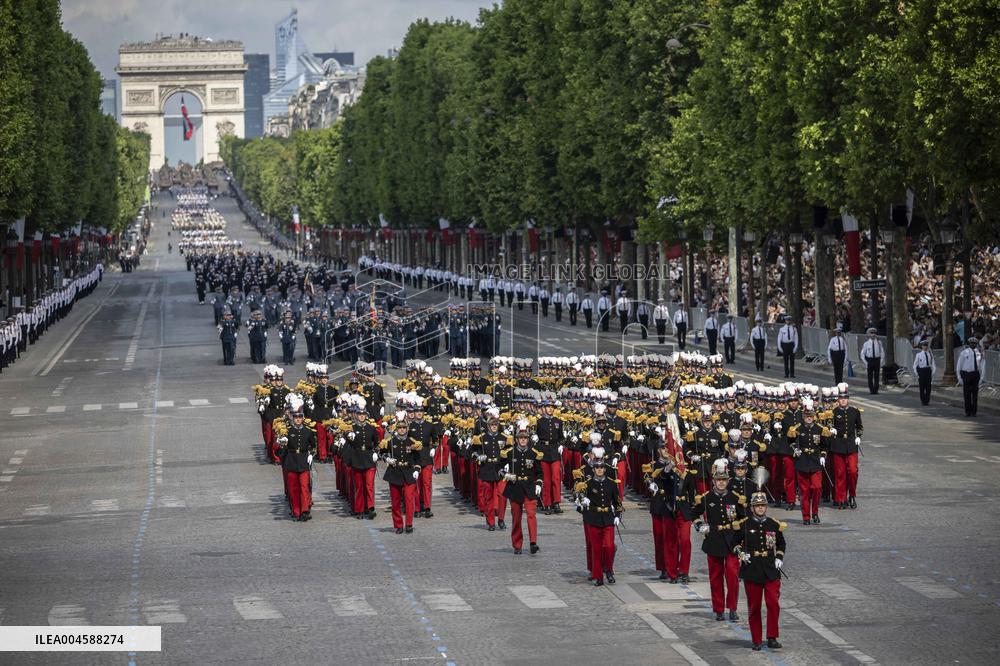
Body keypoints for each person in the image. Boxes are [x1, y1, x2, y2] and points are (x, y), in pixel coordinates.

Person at [732, 491, 786, 652]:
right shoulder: (744, 524)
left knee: (773, 603)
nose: (760, 508)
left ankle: (772, 636)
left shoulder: (774, 524)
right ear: (752, 507)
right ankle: (756, 639)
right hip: (752, 569)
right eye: (757, 506)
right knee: (754, 607)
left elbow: (781, 544)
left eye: (763, 505)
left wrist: (779, 557)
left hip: (770, 569)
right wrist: (741, 553)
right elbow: (734, 543)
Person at [693, 463, 745, 621]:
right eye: (718, 480)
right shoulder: (706, 498)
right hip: (713, 540)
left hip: (732, 540)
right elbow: (694, 514)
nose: (721, 483)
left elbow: (743, 519)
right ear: (713, 481)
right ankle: (718, 608)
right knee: (715, 577)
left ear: (728, 481)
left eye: (724, 480)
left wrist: (742, 540)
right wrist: (700, 525)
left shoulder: (735, 498)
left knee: (732, 576)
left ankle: (733, 608)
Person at [644, 442, 695, 583]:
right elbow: (648, 478)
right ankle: (665, 567)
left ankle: (681, 570)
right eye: (663, 448)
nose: (666, 450)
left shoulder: (682, 469)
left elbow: (691, 494)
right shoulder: (654, 465)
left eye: (668, 447)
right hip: (661, 504)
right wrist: (650, 485)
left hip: (678, 506)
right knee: (663, 540)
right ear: (658, 450)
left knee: (682, 540)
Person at [576, 454, 624, 586]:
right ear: (593, 469)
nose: (599, 469)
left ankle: (608, 570)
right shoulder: (588, 483)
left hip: (608, 518)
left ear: (604, 469)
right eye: (597, 467)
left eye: (602, 467)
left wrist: (617, 516)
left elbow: (617, 501)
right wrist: (582, 500)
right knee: (596, 549)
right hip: (594, 518)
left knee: (608, 546)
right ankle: (598, 576)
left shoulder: (611, 483)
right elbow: (580, 496)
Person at [501, 422, 543, 555]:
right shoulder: (509, 453)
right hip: (515, 487)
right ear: (516, 439)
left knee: (531, 515)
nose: (523, 440)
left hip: (530, 487)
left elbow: (540, 472)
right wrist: (505, 474)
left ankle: (533, 543)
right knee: (516, 517)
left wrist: (539, 484)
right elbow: (498, 467)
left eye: (525, 438)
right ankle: (517, 544)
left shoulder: (534, 453)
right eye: (521, 438)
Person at [275, 394, 318, 522]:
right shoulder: (286, 431)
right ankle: (296, 511)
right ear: (292, 418)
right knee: (294, 489)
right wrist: (281, 443)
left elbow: (314, 446)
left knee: (304, 486)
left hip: (304, 460)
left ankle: (304, 510)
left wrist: (311, 454)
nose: (298, 419)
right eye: (296, 417)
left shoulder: (308, 431)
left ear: (303, 418)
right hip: (291, 461)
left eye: (300, 417)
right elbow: (280, 452)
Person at [380, 413, 421, 534]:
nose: (402, 430)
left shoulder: (412, 441)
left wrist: (417, 470)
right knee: (396, 501)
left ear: (407, 429)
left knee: (409, 499)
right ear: (396, 429)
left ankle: (409, 524)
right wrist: (387, 459)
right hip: (395, 472)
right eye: (399, 428)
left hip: (409, 473)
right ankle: (398, 525)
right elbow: (381, 453)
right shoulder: (390, 441)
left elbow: (418, 458)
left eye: (404, 428)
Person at [789, 403, 829, 525]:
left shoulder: (820, 429)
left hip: (816, 461)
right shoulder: (797, 429)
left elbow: (825, 445)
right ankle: (806, 516)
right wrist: (795, 449)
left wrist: (823, 455)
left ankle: (815, 512)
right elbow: (790, 442)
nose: (809, 418)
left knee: (816, 488)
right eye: (807, 416)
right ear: (803, 416)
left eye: (811, 416)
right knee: (804, 491)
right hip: (803, 461)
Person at [828, 384, 862, 510]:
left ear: (848, 399)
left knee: (853, 471)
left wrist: (859, 436)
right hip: (838, 445)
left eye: (845, 398)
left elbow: (859, 426)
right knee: (840, 473)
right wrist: (831, 430)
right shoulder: (833, 412)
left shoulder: (855, 411)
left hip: (851, 445)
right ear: (838, 400)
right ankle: (841, 498)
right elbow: (829, 426)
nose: (843, 400)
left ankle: (852, 495)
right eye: (841, 398)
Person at [956, 337, 986, 416]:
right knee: (967, 394)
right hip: (966, 374)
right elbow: (959, 365)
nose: (973, 344)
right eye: (971, 343)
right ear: (969, 344)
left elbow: (982, 365)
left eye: (974, 343)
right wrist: (959, 377)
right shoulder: (964, 352)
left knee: (975, 394)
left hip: (975, 374)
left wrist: (982, 377)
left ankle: (974, 411)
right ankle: (967, 411)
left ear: (976, 344)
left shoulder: (979, 353)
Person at [859, 328, 884, 394]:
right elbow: (862, 354)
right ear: (869, 334)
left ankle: (876, 389)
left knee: (876, 376)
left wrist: (881, 361)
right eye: (871, 333)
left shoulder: (879, 342)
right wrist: (866, 362)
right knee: (870, 376)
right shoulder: (866, 343)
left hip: (877, 360)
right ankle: (871, 390)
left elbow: (882, 352)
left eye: (874, 333)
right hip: (869, 360)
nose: (873, 335)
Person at [912, 340, 936, 405]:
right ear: (922, 346)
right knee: (922, 387)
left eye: (926, 345)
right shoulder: (919, 355)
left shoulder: (930, 354)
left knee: (928, 387)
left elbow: (933, 363)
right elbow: (915, 365)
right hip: (922, 371)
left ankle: (927, 400)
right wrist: (917, 373)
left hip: (928, 370)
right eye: (924, 345)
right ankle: (923, 400)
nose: (925, 347)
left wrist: (933, 371)